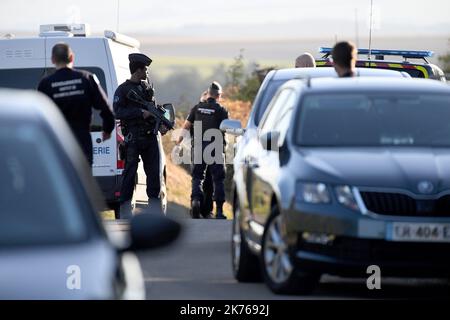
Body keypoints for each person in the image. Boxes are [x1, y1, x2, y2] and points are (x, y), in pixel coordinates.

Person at [37, 43, 114, 165]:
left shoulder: (45, 84)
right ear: (72, 57)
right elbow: (106, 108)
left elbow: (38, 116)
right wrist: (108, 129)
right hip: (82, 141)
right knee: (82, 182)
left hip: (57, 143)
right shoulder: (87, 78)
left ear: (53, 60)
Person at [113, 53, 168, 218]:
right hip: (133, 138)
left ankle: (154, 211)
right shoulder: (122, 90)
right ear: (137, 70)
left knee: (153, 174)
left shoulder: (146, 88)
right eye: (145, 69)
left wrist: (161, 124)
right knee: (130, 173)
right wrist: (139, 113)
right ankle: (125, 211)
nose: (147, 72)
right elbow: (117, 111)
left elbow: (153, 109)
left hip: (150, 137)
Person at [176, 82, 229, 219]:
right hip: (215, 148)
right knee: (218, 179)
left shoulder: (196, 108)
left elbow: (186, 126)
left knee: (198, 177)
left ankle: (195, 201)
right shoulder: (222, 110)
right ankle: (219, 211)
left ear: (208, 94)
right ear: (218, 96)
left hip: (199, 147)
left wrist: (178, 141)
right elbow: (227, 129)